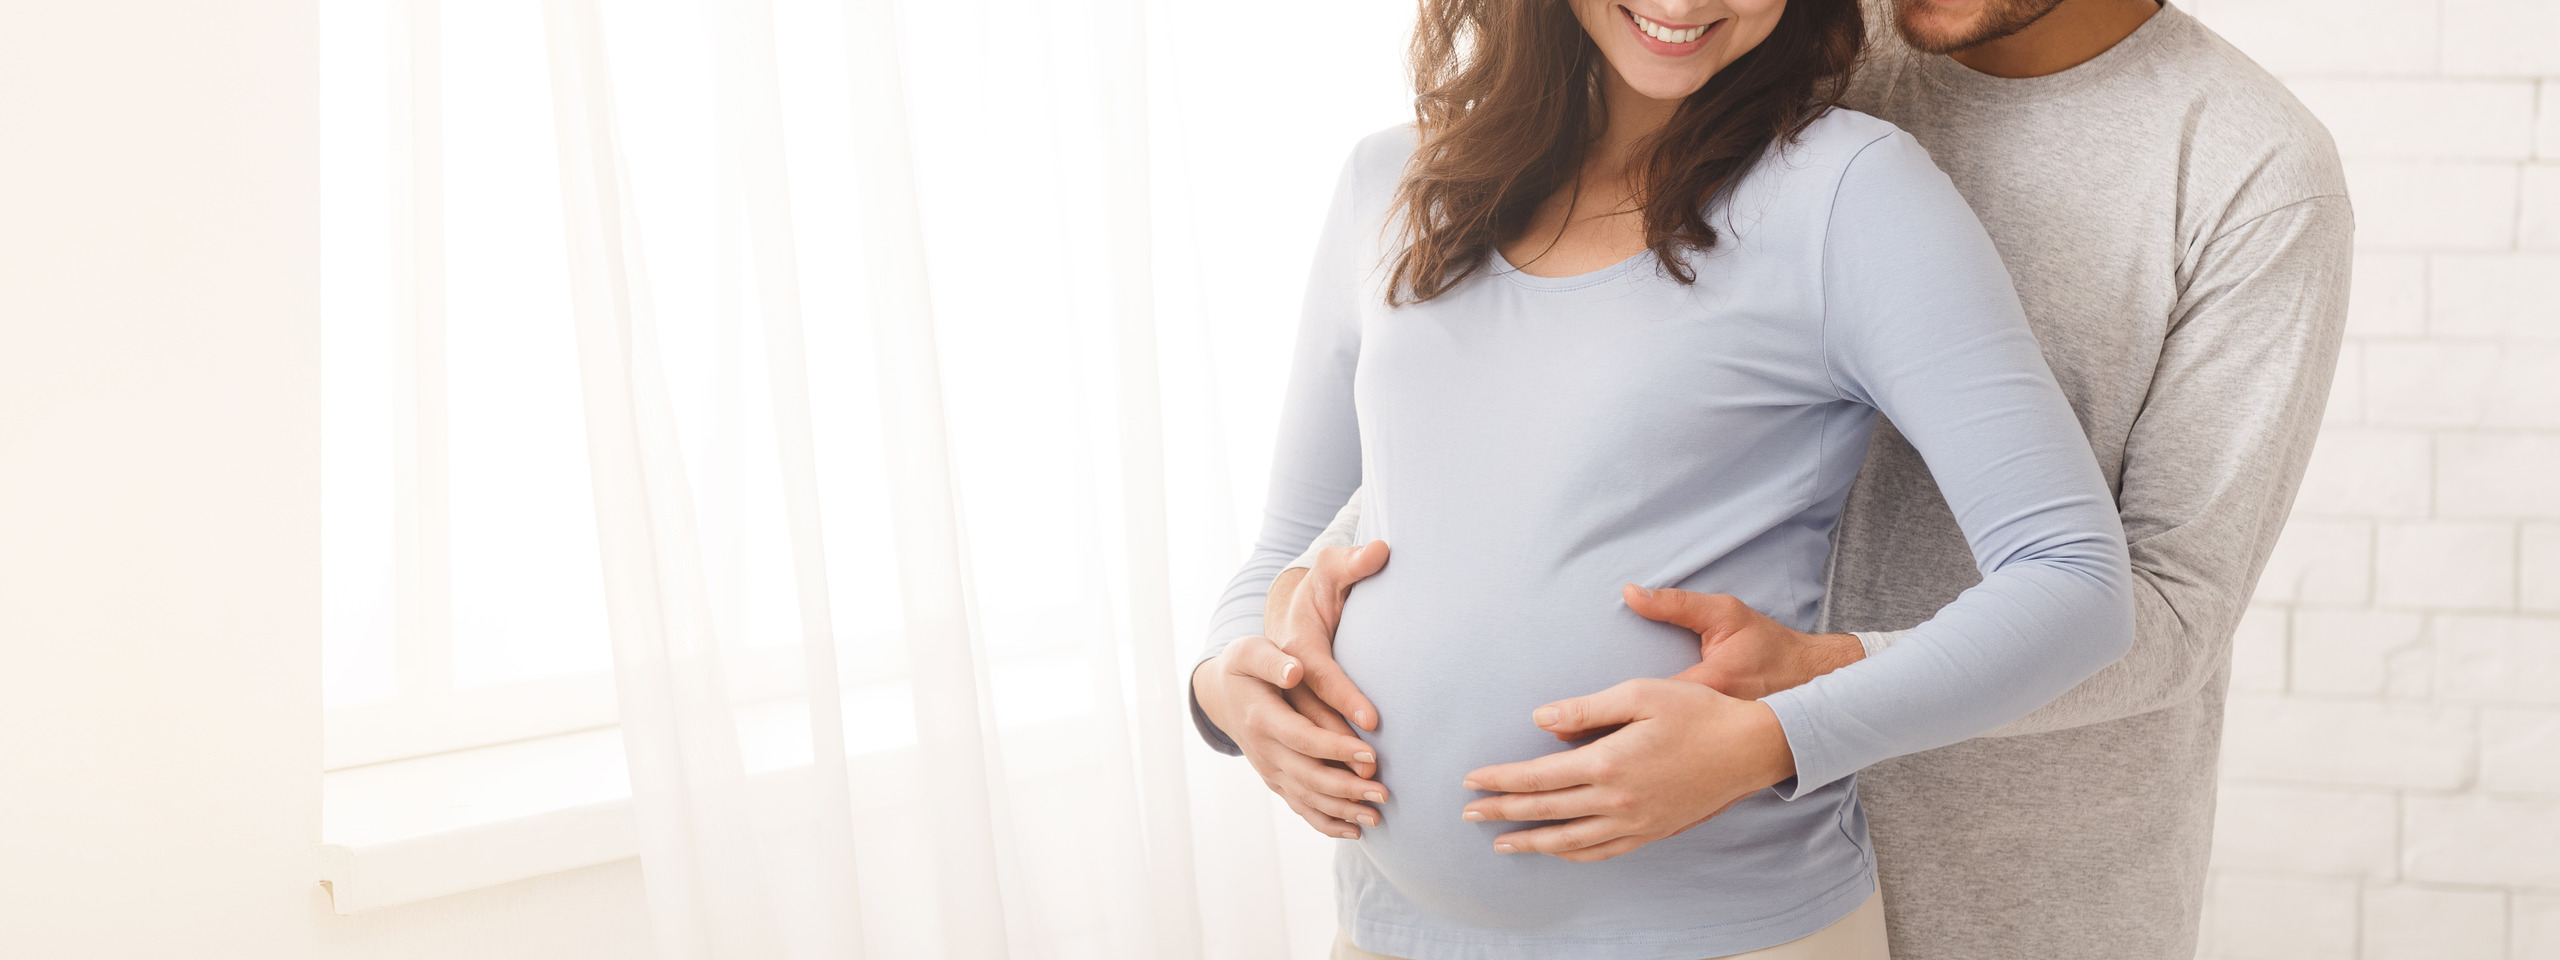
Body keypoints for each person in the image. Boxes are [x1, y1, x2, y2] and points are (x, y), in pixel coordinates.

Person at [1243, 0, 2354, 958]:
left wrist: (1805, 699)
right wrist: (1294, 609)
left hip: (2000, 875)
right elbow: (1539, 420)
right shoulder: (1768, 49)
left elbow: (2159, 607)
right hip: (1645, 857)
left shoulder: (2246, 171)